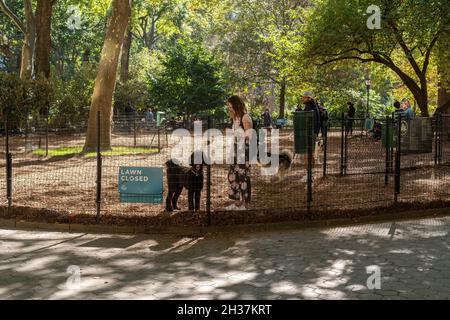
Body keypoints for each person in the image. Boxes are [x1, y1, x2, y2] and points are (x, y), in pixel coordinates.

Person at [225, 95, 253, 211]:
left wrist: (238, 134)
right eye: (228, 106)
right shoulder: (235, 118)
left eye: (230, 106)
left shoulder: (245, 118)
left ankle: (245, 204)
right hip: (235, 151)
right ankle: (237, 203)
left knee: (243, 178)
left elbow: (249, 136)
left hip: (244, 152)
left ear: (236, 105)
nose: (229, 108)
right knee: (232, 177)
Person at [297, 91, 320, 182]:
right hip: (311, 133)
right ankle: (311, 173)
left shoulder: (311, 108)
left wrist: (300, 113)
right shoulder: (311, 106)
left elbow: (308, 120)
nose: (302, 98)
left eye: (304, 97)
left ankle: (309, 175)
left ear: (309, 98)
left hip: (310, 133)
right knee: (309, 154)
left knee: (307, 154)